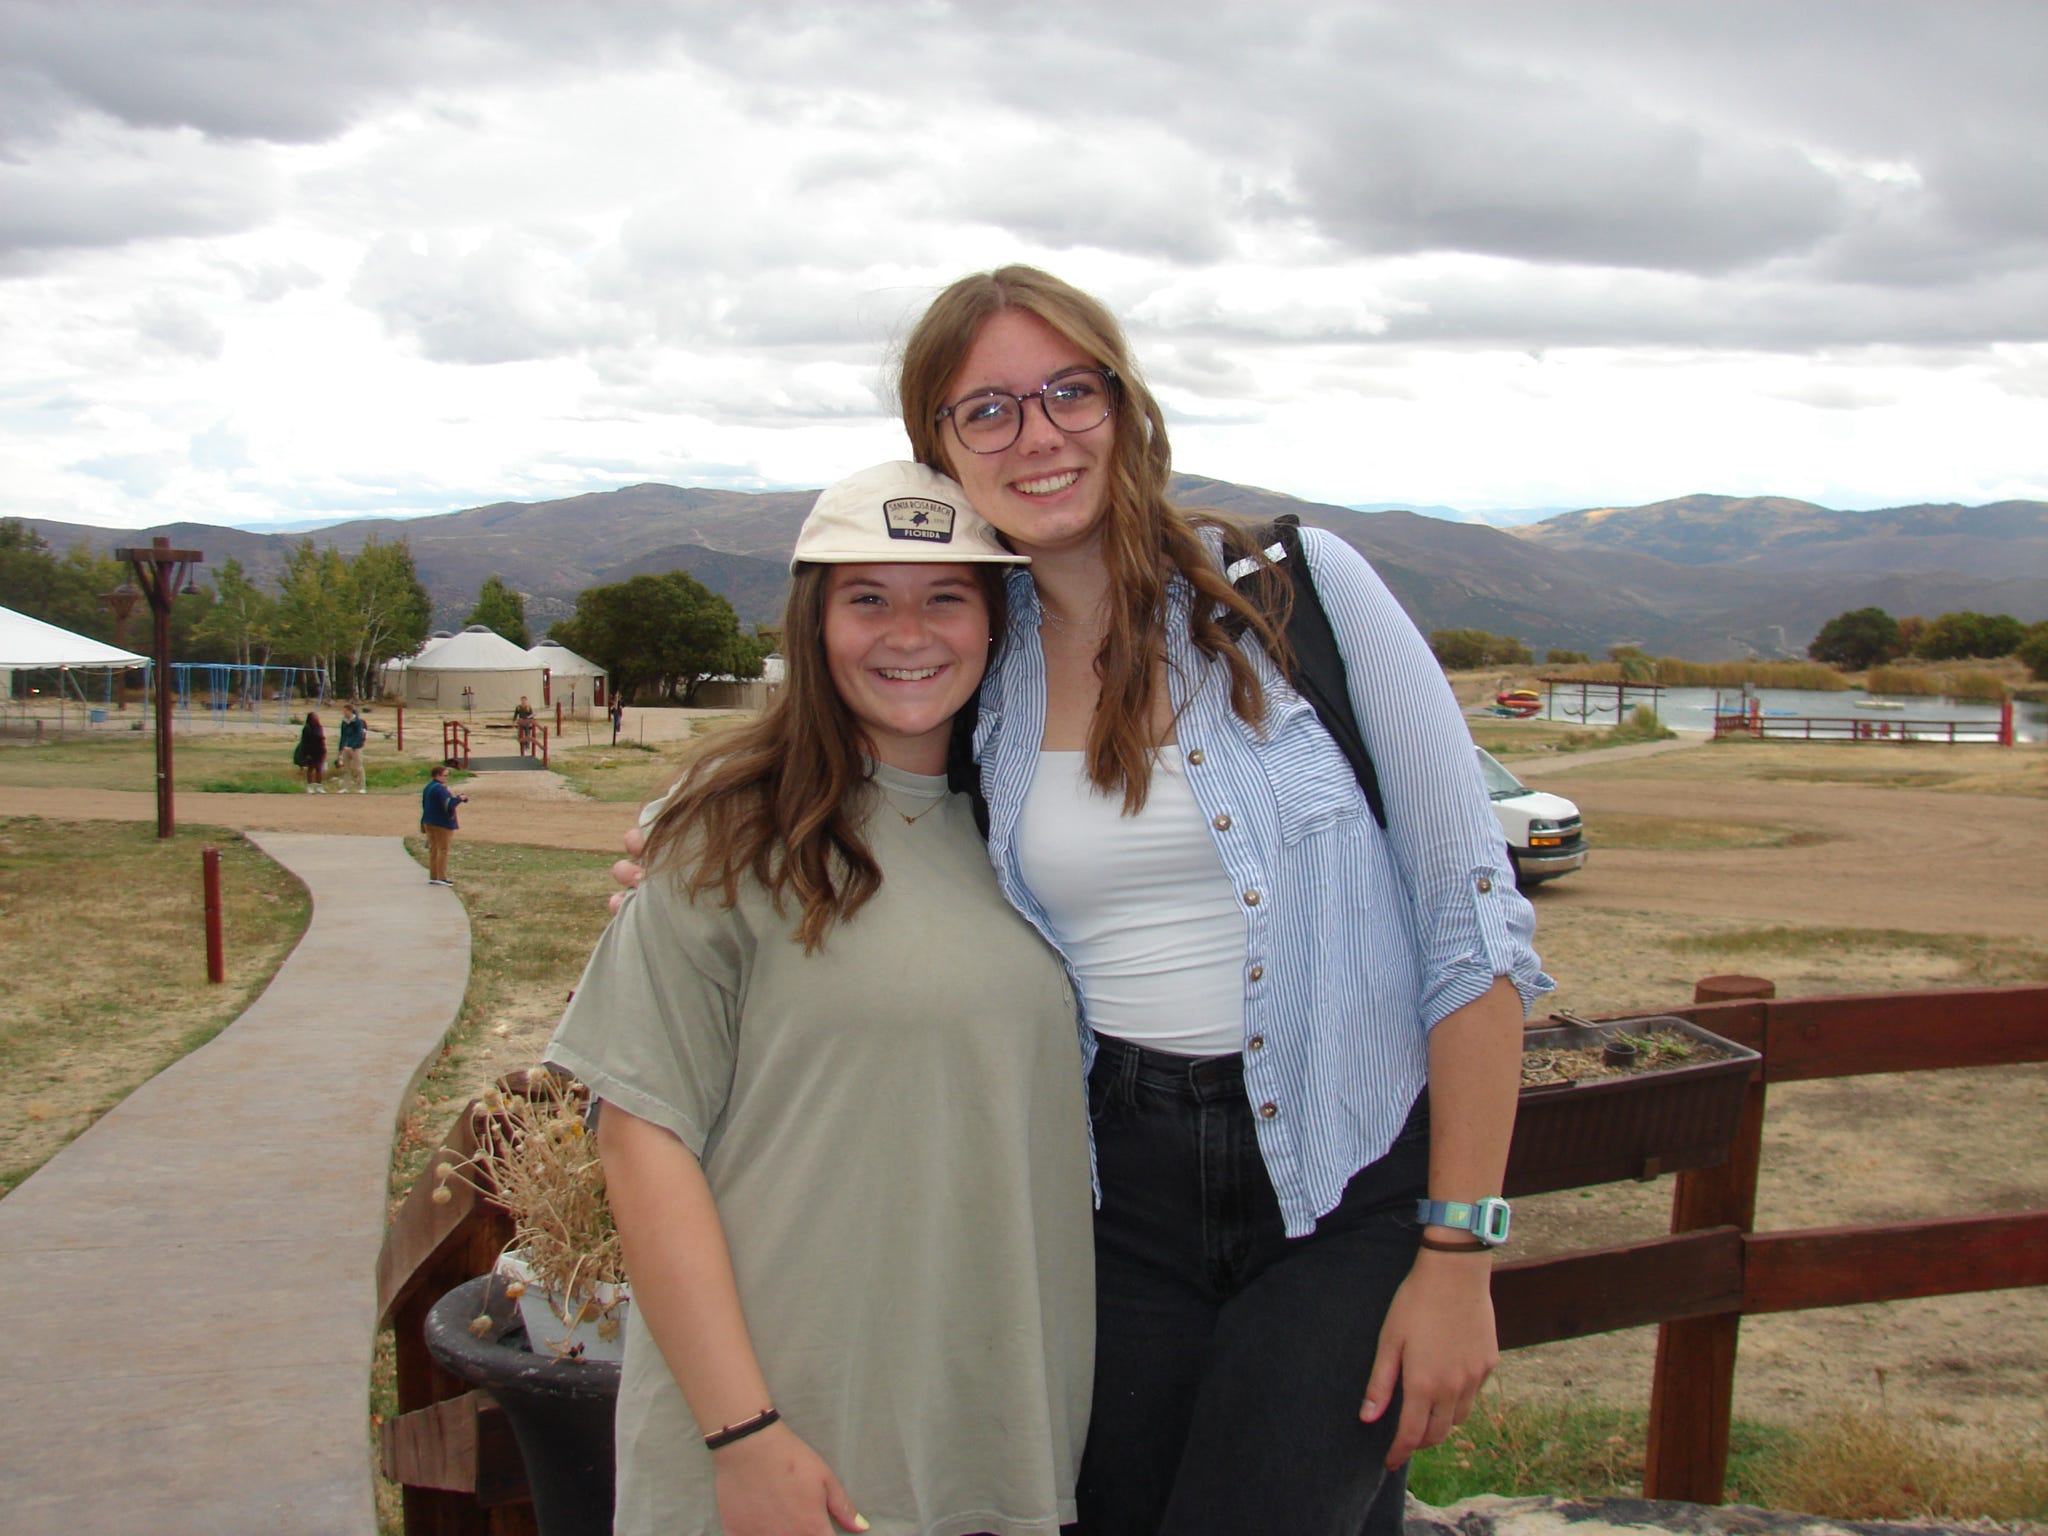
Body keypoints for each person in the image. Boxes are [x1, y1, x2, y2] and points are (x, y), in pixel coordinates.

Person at [893, 266, 1554, 1536]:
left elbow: (1470, 928)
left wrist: (1457, 1253)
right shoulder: (978, 658)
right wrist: (692, 855)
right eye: (987, 410)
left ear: (1121, 404)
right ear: (940, 447)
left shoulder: (1299, 593)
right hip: (1109, 1200)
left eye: (1068, 391)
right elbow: (855, 806)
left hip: (1349, 1181)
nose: (1037, 435)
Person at [548, 462, 1091, 1536]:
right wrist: (744, 1436)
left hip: (988, 1436)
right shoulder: (726, 829)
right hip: (782, 1443)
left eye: (945, 596)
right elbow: (640, 1135)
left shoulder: (1034, 835)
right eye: (867, 598)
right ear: (814, 622)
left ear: (997, 621)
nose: (908, 633)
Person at [420, 764, 466, 886]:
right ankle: (442, 876)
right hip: (441, 823)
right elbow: (448, 805)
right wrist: (459, 799)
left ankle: (434, 876)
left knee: (433, 849)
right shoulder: (440, 789)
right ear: (437, 776)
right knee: (443, 849)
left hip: (428, 821)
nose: (447, 778)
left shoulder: (428, 787)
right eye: (444, 776)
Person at [335, 703, 368, 793]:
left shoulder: (358, 722)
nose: (344, 713)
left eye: (346, 711)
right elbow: (343, 736)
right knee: (346, 768)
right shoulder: (344, 722)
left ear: (350, 711)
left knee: (358, 767)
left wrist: (354, 746)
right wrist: (341, 748)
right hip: (346, 747)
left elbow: (359, 735)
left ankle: (362, 787)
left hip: (356, 748)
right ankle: (345, 787)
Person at [293, 710, 327, 792]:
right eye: (314, 717)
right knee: (311, 768)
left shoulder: (319, 727)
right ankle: (310, 786)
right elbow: (305, 742)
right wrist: (306, 753)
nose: (316, 718)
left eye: (316, 717)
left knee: (319, 768)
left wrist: (324, 750)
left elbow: (321, 739)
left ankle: (319, 786)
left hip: (319, 751)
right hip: (310, 751)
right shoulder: (307, 728)